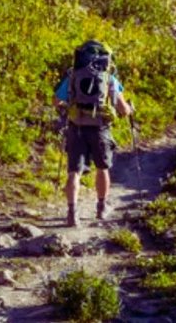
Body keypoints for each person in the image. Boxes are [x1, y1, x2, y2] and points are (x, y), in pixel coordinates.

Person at [53, 40, 134, 227]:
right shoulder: (109, 78)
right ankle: (101, 208)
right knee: (102, 168)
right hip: (100, 129)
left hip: (76, 127)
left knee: (74, 171)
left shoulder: (73, 75)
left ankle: (72, 213)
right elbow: (122, 109)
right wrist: (129, 109)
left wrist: (70, 108)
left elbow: (57, 101)